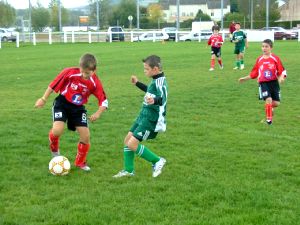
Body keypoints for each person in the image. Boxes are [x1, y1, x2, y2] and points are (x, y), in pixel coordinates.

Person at [34, 53, 108, 171]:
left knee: (86, 136)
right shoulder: (69, 72)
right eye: (82, 71)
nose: (84, 75)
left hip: (78, 109)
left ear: (94, 70)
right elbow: (53, 85)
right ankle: (54, 151)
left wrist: (98, 113)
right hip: (62, 104)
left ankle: (80, 162)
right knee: (57, 130)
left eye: (87, 73)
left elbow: (104, 101)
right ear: (80, 67)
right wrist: (43, 99)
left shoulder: (95, 82)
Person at [113, 55, 168, 178]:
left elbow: (163, 98)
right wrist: (137, 83)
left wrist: (154, 100)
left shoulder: (160, 81)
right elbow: (149, 90)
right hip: (143, 115)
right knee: (127, 140)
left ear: (155, 69)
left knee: (132, 144)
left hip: (151, 118)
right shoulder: (155, 80)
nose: (144, 71)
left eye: (146, 69)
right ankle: (128, 171)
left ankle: (157, 160)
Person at [238, 39, 287, 125]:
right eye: (263, 46)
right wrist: (245, 78)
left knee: (276, 103)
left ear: (271, 48)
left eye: (266, 46)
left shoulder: (275, 58)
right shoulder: (259, 59)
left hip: (274, 83)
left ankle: (269, 109)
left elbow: (282, 71)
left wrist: (282, 77)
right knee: (268, 99)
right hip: (263, 83)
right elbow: (255, 72)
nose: (264, 48)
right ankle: (268, 121)